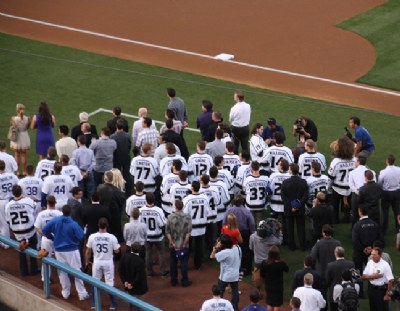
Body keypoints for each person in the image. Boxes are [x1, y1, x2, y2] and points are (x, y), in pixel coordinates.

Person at [42, 204, 89, 300]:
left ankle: (65, 293)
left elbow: (45, 230)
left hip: (59, 251)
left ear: (62, 211)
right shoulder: (73, 224)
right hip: (72, 251)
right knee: (77, 271)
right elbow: (80, 236)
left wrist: (52, 238)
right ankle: (82, 294)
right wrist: (73, 240)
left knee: (62, 272)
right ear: (70, 213)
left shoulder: (56, 220)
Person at [85, 217, 120, 310]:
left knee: (95, 282)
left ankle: (94, 303)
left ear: (98, 225)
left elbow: (88, 251)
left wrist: (86, 262)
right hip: (108, 262)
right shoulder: (112, 237)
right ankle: (113, 303)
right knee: (109, 282)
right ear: (107, 226)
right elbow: (117, 251)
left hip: (97, 262)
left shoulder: (92, 237)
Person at [5, 185, 38, 276]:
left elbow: (8, 221)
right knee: (33, 249)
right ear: (21, 192)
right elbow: (34, 209)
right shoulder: (28, 201)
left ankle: (24, 272)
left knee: (21, 251)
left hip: (18, 234)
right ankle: (34, 270)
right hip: (30, 231)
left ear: (13, 193)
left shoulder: (8, 205)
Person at [352, 205, 382, 297]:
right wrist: (371, 248)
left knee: (357, 272)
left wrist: (363, 249)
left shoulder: (357, 225)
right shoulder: (374, 224)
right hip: (372, 253)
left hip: (359, 253)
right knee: (372, 271)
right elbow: (380, 238)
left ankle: (359, 292)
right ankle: (371, 291)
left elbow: (355, 240)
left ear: (360, 212)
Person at [225, 195, 256, 277]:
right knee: (246, 251)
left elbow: (224, 222)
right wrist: (253, 232)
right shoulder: (246, 211)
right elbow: (252, 223)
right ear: (242, 202)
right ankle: (246, 270)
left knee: (233, 250)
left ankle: (233, 268)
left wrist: (226, 232)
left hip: (232, 232)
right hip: (244, 233)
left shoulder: (229, 210)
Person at [327, 136, 356, 224]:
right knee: (348, 205)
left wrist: (327, 187)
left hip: (337, 188)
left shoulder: (336, 161)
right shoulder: (355, 160)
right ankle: (347, 218)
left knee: (334, 205)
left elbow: (331, 176)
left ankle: (335, 220)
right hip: (350, 187)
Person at [183, 180, 211, 270]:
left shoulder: (187, 199)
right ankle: (198, 264)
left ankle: (185, 263)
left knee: (188, 245)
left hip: (190, 227)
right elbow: (208, 212)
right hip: (201, 226)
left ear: (192, 188)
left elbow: (185, 213)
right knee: (199, 246)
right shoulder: (205, 198)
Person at [35, 195, 63, 281]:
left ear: (47, 203)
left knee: (46, 258)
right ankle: (62, 279)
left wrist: (43, 234)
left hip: (46, 239)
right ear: (55, 203)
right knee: (60, 260)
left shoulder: (41, 214)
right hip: (58, 239)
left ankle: (45, 278)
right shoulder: (60, 214)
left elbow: (37, 227)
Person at [210, 234, 242, 311]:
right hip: (235, 274)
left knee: (219, 292)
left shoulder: (225, 252)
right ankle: (235, 308)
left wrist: (215, 248)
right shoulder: (238, 247)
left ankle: (219, 308)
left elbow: (212, 256)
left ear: (223, 244)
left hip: (225, 276)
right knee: (235, 292)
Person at [140, 192, 169, 276]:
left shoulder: (141, 210)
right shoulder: (158, 210)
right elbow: (162, 224)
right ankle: (163, 271)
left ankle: (149, 272)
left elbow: (140, 223)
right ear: (154, 200)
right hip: (158, 236)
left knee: (148, 253)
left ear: (146, 200)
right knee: (161, 253)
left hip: (147, 236)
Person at [281, 163, 308, 251]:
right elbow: (305, 195)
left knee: (290, 228)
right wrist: (298, 204)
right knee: (301, 228)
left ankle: (291, 246)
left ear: (291, 171)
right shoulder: (303, 182)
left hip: (289, 209)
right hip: (300, 208)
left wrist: (291, 206)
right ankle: (303, 246)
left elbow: (283, 197)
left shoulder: (285, 182)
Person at [166, 199, 192, 287]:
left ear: (175, 207)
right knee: (184, 263)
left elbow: (167, 232)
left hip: (173, 245)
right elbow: (188, 233)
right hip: (184, 245)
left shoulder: (170, 217)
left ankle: (173, 280)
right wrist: (184, 244)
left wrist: (173, 243)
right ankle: (185, 281)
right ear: (183, 207)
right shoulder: (188, 217)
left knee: (173, 262)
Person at [250, 219, 282, 288]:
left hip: (257, 262)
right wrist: (279, 231)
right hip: (268, 262)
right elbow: (279, 241)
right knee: (270, 281)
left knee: (257, 282)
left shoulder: (252, 236)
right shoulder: (271, 238)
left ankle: (257, 293)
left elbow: (251, 248)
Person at [119, 242, 148, 311]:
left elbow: (120, 270)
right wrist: (132, 284)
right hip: (138, 289)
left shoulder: (124, 257)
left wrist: (124, 281)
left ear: (131, 248)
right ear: (140, 250)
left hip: (128, 287)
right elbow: (139, 276)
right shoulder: (140, 261)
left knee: (130, 305)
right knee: (139, 307)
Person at [362, 247, 394, 311]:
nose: (372, 256)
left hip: (381, 291)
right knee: (373, 308)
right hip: (371, 289)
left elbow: (390, 280)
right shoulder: (370, 262)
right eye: (371, 254)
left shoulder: (385, 265)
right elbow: (363, 276)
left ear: (379, 255)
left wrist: (387, 295)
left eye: (374, 255)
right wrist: (373, 276)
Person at [97, 170, 125, 243]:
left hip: (103, 216)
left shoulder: (100, 188)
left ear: (105, 179)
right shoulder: (118, 191)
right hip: (115, 218)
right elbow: (121, 203)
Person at [326, 247, 355, 311]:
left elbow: (327, 281)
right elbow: (355, 278)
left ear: (335, 254)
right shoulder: (351, 264)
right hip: (349, 293)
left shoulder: (330, 265)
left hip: (334, 294)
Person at [260, 246, 289, 311]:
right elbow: (287, 269)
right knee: (277, 304)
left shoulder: (264, 263)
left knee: (270, 302)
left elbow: (262, 274)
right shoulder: (281, 263)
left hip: (268, 286)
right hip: (278, 287)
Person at [242, 161, 270, 226]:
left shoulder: (247, 179)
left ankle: (252, 235)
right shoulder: (265, 179)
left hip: (250, 205)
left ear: (251, 168)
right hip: (261, 205)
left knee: (251, 224)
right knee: (259, 225)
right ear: (259, 168)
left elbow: (244, 191)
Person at [379, 154, 400, 235]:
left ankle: (384, 230)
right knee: (397, 211)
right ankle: (398, 228)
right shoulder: (399, 169)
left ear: (387, 161)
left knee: (385, 212)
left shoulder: (383, 172)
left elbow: (380, 183)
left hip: (386, 193)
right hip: (397, 192)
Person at [348, 156, 373, 225]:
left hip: (356, 195)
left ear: (358, 162)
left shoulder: (352, 172)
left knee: (355, 213)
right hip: (367, 195)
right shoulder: (371, 172)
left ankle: (355, 229)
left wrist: (357, 192)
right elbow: (373, 183)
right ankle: (368, 227)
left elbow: (351, 185)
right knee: (367, 212)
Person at [110, 120, 132, 196]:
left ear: (116, 126)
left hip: (116, 158)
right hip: (126, 157)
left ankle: (117, 191)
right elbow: (129, 146)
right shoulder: (127, 135)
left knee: (116, 175)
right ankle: (128, 191)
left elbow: (112, 148)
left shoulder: (112, 136)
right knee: (126, 175)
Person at [9, 103, 30, 176]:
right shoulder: (28, 118)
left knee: (17, 154)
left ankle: (18, 171)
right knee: (24, 155)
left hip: (16, 137)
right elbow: (27, 127)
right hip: (24, 136)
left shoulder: (13, 118)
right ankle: (24, 171)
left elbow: (12, 127)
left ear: (17, 110)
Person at [229, 90, 251, 154]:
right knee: (245, 146)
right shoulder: (248, 106)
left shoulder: (234, 108)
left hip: (236, 128)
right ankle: (246, 159)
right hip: (245, 128)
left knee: (235, 146)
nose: (234, 97)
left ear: (238, 98)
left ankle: (236, 159)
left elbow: (231, 119)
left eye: (235, 96)